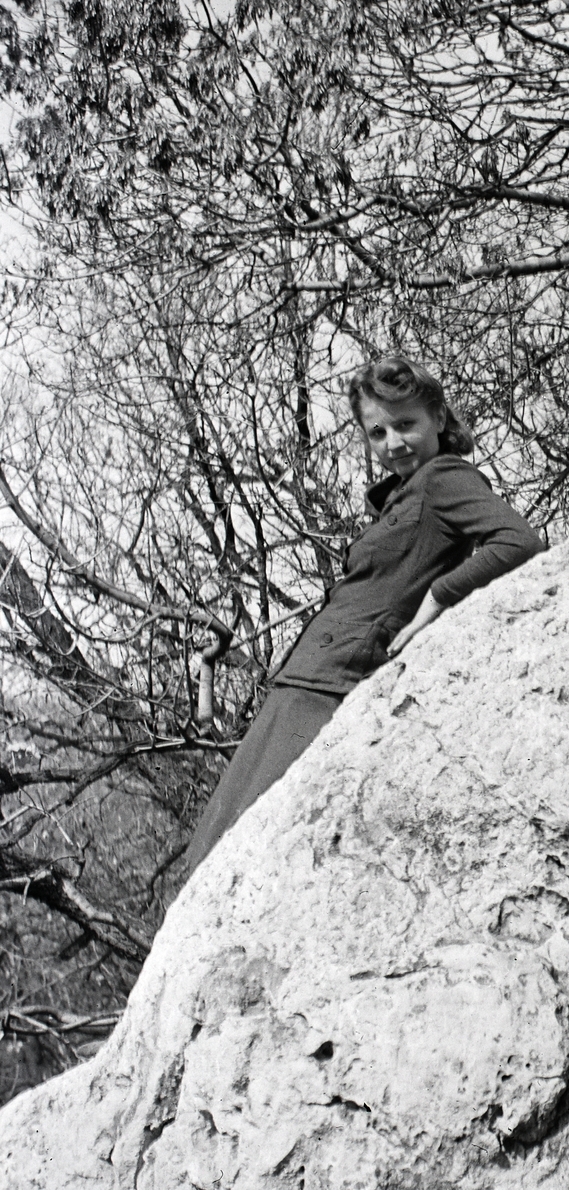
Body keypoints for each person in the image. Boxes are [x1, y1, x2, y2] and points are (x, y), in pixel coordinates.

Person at [181, 358, 545, 876]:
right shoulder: (406, 492)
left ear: (438, 419)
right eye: (378, 432)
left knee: (233, 851)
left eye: (406, 424)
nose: (393, 442)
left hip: (332, 684)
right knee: (220, 843)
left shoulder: (445, 479)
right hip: (306, 680)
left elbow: (518, 541)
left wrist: (437, 599)